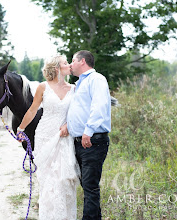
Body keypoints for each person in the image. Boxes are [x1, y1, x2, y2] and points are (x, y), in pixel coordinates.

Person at [17, 55, 80, 220]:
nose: (69, 65)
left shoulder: (74, 88)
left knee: (64, 180)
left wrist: (69, 125)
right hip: (45, 136)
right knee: (48, 182)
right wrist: (21, 128)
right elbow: (32, 110)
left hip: (64, 138)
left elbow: (79, 112)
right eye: (65, 63)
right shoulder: (43, 87)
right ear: (57, 68)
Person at [66, 50, 111, 220]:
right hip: (79, 142)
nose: (71, 64)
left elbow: (98, 107)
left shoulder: (96, 79)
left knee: (90, 186)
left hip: (92, 141)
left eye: (73, 61)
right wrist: (67, 125)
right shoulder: (79, 84)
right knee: (87, 185)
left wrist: (88, 131)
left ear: (82, 61)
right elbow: (79, 110)